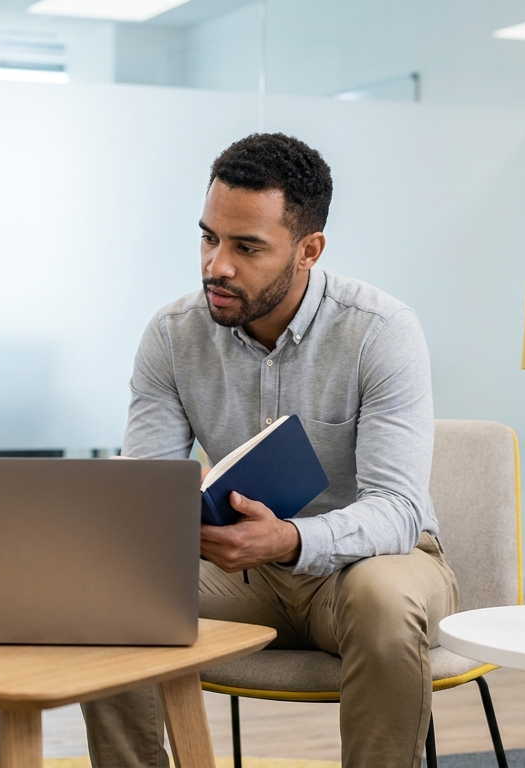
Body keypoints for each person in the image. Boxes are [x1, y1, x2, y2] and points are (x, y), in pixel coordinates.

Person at [82, 133, 458, 768]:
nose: (216, 266)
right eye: (208, 237)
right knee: (108, 591)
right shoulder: (172, 337)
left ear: (308, 250)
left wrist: (289, 540)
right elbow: (146, 499)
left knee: (382, 600)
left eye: (246, 247)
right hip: (241, 574)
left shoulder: (382, 332)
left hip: (370, 568)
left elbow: (397, 510)